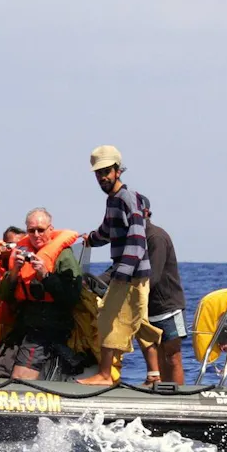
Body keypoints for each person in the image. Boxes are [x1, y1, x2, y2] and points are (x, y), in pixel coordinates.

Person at [79, 145, 151, 386]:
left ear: (118, 171)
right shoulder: (113, 200)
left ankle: (105, 375)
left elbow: (138, 238)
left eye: (106, 172)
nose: (102, 177)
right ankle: (155, 375)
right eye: (98, 173)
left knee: (107, 319)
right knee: (139, 322)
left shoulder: (127, 198)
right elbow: (108, 231)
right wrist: (90, 239)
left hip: (130, 273)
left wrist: (123, 273)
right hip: (128, 271)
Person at [0, 209, 82, 380]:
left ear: (50, 229)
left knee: (20, 376)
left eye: (40, 230)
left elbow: (72, 296)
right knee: (1, 370)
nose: (36, 235)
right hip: (24, 324)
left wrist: (46, 276)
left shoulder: (63, 255)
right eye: (31, 230)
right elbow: (4, 295)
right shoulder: (21, 252)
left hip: (50, 326)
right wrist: (14, 272)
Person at [140, 201, 186, 385]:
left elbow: (154, 275)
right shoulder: (133, 240)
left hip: (167, 307)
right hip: (148, 308)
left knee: (172, 356)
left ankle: (179, 397)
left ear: (145, 213)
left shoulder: (156, 237)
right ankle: (160, 390)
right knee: (157, 356)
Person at [0, 225, 26, 376]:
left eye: (21, 245)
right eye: (13, 245)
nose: (16, 249)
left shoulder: (27, 264)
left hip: (18, 324)